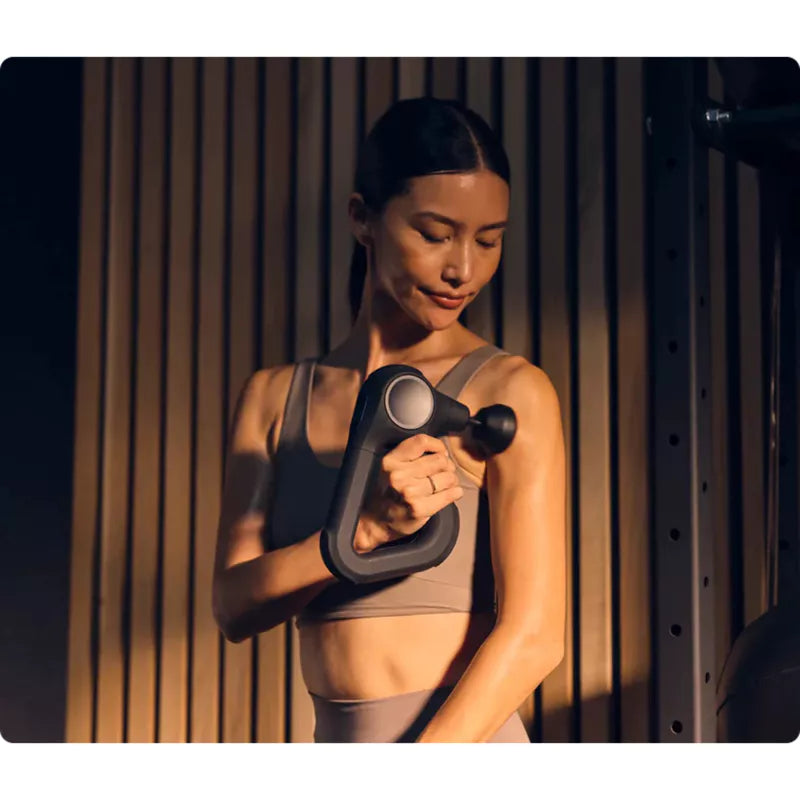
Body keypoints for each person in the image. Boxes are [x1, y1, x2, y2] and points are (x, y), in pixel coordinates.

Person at [211, 97, 566, 743]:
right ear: (362, 218)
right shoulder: (273, 397)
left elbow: (535, 636)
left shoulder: (510, 390)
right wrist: (364, 531)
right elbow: (234, 607)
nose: (463, 269)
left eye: (489, 240)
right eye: (434, 234)